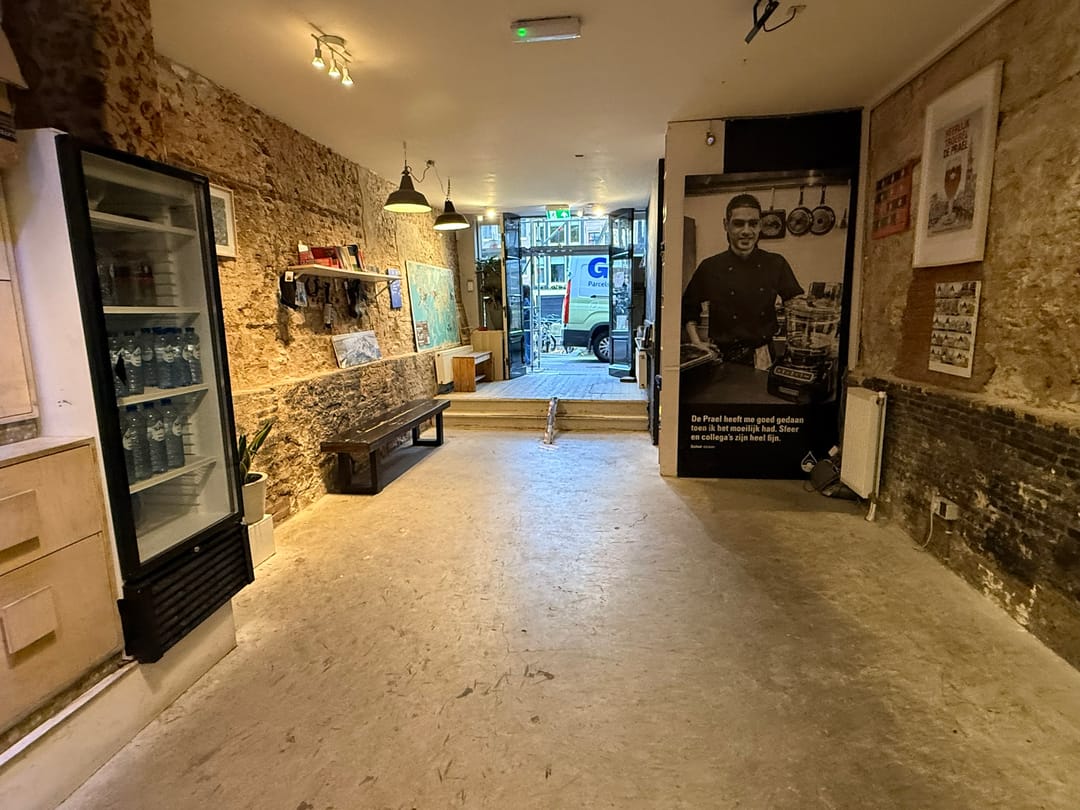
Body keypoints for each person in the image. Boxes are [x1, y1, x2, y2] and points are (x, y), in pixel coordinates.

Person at [682, 193, 803, 370]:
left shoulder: (776, 263)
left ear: (760, 226)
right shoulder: (710, 267)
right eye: (738, 224)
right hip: (720, 355)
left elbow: (795, 305)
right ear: (726, 225)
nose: (746, 231)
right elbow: (688, 307)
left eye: (753, 224)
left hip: (762, 356)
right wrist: (696, 342)